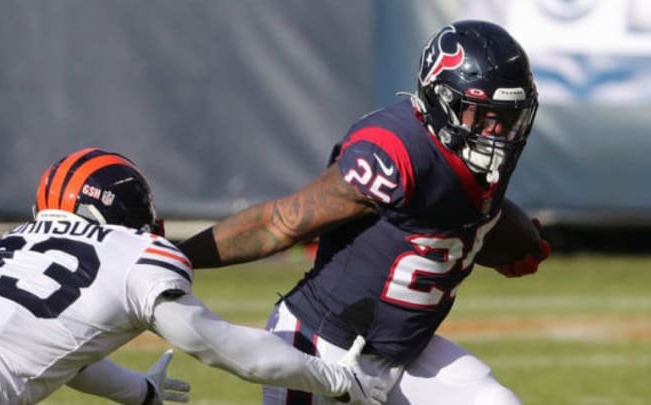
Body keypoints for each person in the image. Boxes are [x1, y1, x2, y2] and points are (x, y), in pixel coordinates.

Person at [178, 20, 552, 405]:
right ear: (442, 101)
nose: (497, 132)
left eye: (509, 116)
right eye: (483, 114)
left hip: (405, 354)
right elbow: (282, 222)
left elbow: (458, 208)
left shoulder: (486, 153)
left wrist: (501, 235)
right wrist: (176, 258)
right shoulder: (396, 153)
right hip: (322, 347)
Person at [0, 148, 389, 405]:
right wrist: (334, 378)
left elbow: (68, 356)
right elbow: (228, 349)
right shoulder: (133, 255)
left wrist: (140, 392)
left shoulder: (19, 240)